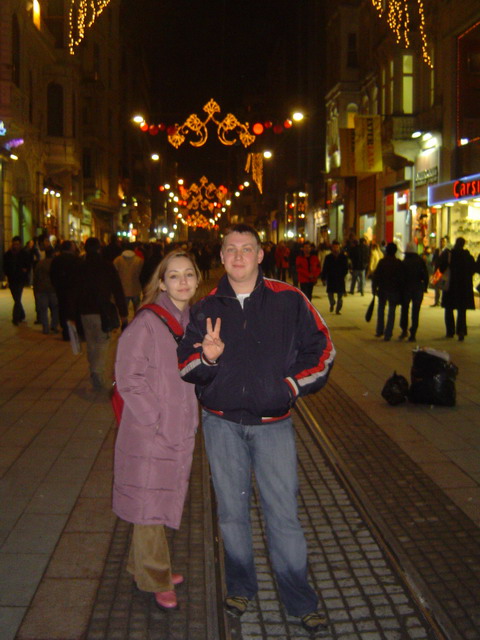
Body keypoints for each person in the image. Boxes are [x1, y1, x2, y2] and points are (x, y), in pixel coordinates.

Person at [177, 224, 335, 634]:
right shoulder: (205, 307)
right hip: (221, 424)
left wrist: (290, 386)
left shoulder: (289, 299)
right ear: (221, 256)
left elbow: (323, 349)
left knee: (283, 515)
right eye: (231, 249)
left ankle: (299, 598)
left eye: (247, 249)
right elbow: (186, 366)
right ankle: (241, 586)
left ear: (261, 255)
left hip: (273, 426)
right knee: (232, 513)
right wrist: (208, 359)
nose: (238, 256)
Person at [113, 251, 200, 611]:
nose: (182, 282)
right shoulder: (147, 322)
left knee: (154, 498)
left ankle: (141, 564)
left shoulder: (191, 320)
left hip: (177, 428)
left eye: (189, 274)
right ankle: (155, 577)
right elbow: (127, 378)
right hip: (151, 433)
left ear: (197, 279)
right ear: (161, 283)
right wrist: (156, 420)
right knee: (150, 503)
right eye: (173, 276)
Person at [69, 237, 128, 391]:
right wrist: (123, 313)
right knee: (102, 342)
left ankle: (94, 369)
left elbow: (73, 292)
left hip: (84, 311)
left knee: (91, 342)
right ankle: (97, 371)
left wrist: (71, 314)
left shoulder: (79, 267)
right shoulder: (107, 266)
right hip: (102, 311)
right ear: (99, 249)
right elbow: (117, 289)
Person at [440, 237, 475, 341]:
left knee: (449, 309)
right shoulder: (467, 256)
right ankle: (461, 331)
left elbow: (441, 267)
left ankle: (450, 331)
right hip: (463, 287)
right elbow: (473, 269)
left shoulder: (449, 254)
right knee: (462, 310)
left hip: (451, 286)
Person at [372, 242, 404, 341]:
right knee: (392, 311)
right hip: (394, 290)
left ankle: (379, 330)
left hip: (383, 289)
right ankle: (388, 333)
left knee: (381, 309)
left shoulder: (382, 262)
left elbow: (376, 276)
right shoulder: (398, 263)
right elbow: (401, 278)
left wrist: (374, 287)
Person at [50, 240, 82, 341]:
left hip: (61, 289)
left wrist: (56, 285)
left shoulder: (56, 260)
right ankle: (74, 332)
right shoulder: (76, 260)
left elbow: (52, 274)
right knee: (74, 310)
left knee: (63, 309)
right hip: (74, 289)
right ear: (70, 248)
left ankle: (66, 332)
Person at [399, 241, 429, 342]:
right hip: (417, 288)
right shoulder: (420, 261)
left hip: (406, 288)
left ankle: (404, 329)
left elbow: (400, 276)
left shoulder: (404, 262)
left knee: (404, 309)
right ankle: (413, 333)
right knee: (415, 311)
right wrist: (425, 287)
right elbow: (425, 275)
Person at [3, 236, 31, 325]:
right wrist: (7, 274)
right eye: (14, 244)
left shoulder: (24, 254)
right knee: (16, 298)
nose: (15, 246)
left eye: (17, 244)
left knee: (17, 297)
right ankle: (22, 314)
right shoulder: (7, 254)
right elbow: (4, 266)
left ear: (20, 244)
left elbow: (28, 265)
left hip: (20, 279)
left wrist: (25, 271)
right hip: (12, 279)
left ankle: (15, 318)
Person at [33, 246, 59, 334]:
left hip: (41, 289)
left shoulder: (40, 263)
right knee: (55, 309)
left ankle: (45, 328)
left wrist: (35, 289)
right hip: (53, 289)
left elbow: (36, 277)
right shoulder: (55, 263)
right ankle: (54, 325)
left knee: (43, 310)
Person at [113, 244, 144, 314]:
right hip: (135, 287)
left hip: (122, 288)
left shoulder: (117, 260)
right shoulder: (139, 260)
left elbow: (114, 274)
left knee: (123, 311)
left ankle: (125, 320)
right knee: (137, 310)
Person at [321, 240, 348, 314]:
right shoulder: (328, 257)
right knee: (330, 293)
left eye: (337, 247)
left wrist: (343, 274)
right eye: (334, 247)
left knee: (340, 295)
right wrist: (323, 277)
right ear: (332, 248)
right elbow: (325, 268)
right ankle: (332, 303)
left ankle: (338, 309)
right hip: (331, 278)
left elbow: (346, 268)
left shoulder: (343, 257)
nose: (335, 249)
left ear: (339, 247)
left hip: (340, 278)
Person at [431, 236, 450, 306]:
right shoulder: (437, 250)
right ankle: (437, 301)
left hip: (444, 271)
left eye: (444, 242)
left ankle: (442, 301)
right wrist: (433, 263)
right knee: (436, 286)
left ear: (446, 243)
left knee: (443, 286)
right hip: (437, 271)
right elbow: (434, 259)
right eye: (441, 241)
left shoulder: (447, 251)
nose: (442, 243)